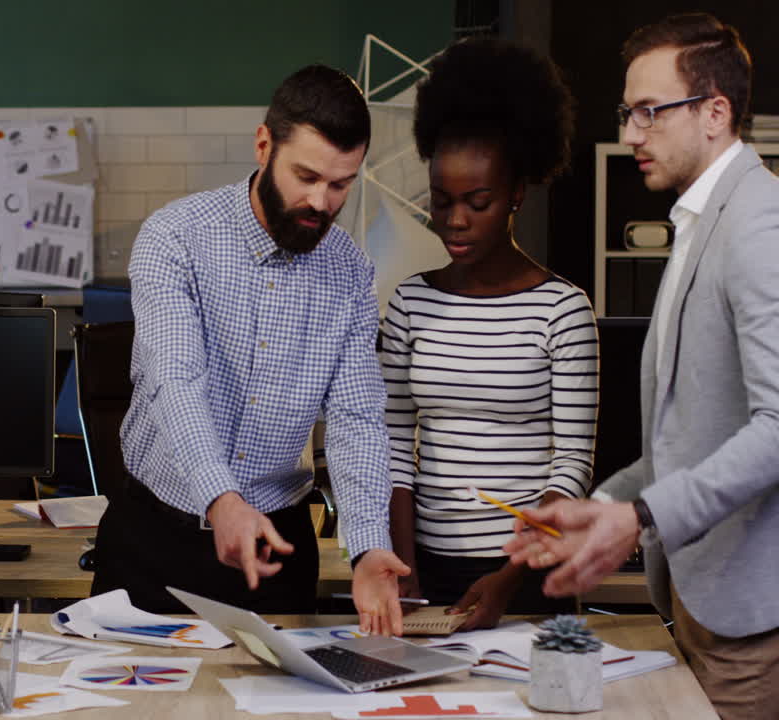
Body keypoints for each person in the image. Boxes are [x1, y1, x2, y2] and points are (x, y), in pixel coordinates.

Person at [504, 14, 779, 719]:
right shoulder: (701, 221)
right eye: (629, 113)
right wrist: (598, 508)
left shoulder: (759, 222)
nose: (631, 134)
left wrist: (640, 516)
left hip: (754, 624)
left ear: (716, 112)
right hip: (699, 604)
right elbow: (688, 439)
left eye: (651, 113)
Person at [91, 64, 410, 635]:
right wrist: (222, 500)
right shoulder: (175, 238)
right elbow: (174, 379)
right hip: (154, 541)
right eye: (306, 176)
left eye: (341, 184)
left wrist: (367, 547)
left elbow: (357, 420)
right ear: (264, 145)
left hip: (277, 549)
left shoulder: (352, 273)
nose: (321, 201)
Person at [380, 38, 597, 630]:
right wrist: (404, 567)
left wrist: (509, 577)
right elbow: (394, 447)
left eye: (477, 201)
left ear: (515, 196)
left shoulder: (563, 310)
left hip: (525, 573)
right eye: (442, 200)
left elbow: (572, 465)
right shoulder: (410, 303)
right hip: (423, 565)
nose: (454, 220)